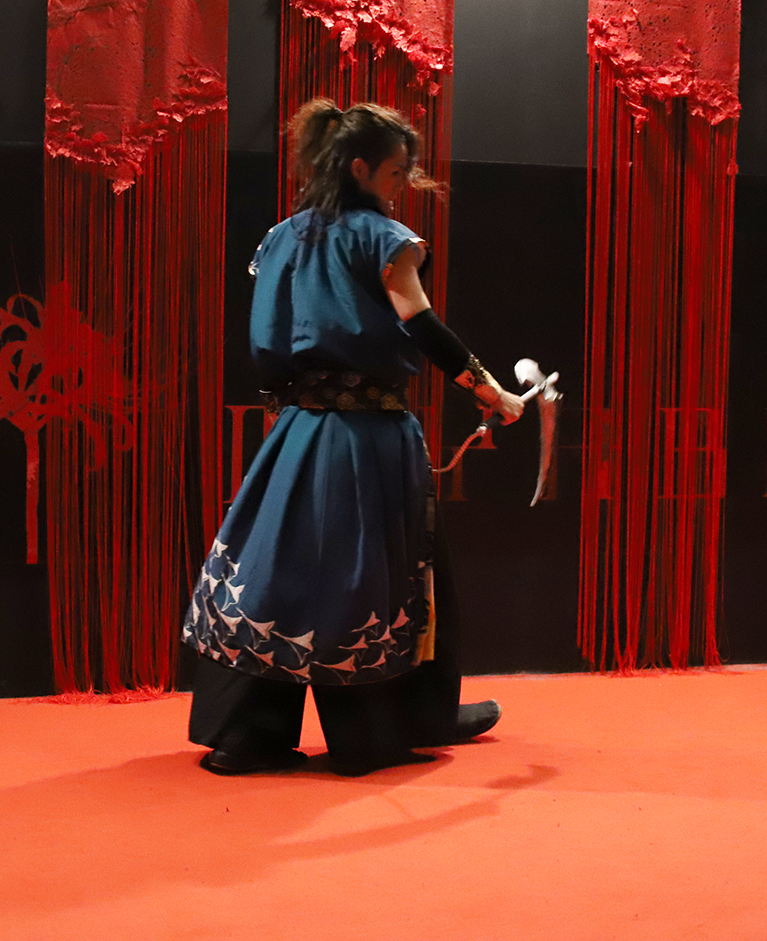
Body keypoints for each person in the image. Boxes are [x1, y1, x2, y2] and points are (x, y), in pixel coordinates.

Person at [182, 99, 523, 777]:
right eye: (396, 173)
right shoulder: (383, 238)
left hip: (299, 433)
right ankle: (377, 734)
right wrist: (490, 391)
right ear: (361, 168)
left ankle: (248, 735)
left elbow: (269, 338)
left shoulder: (282, 237)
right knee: (368, 574)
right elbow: (420, 325)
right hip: (368, 437)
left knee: (279, 571)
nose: (402, 186)